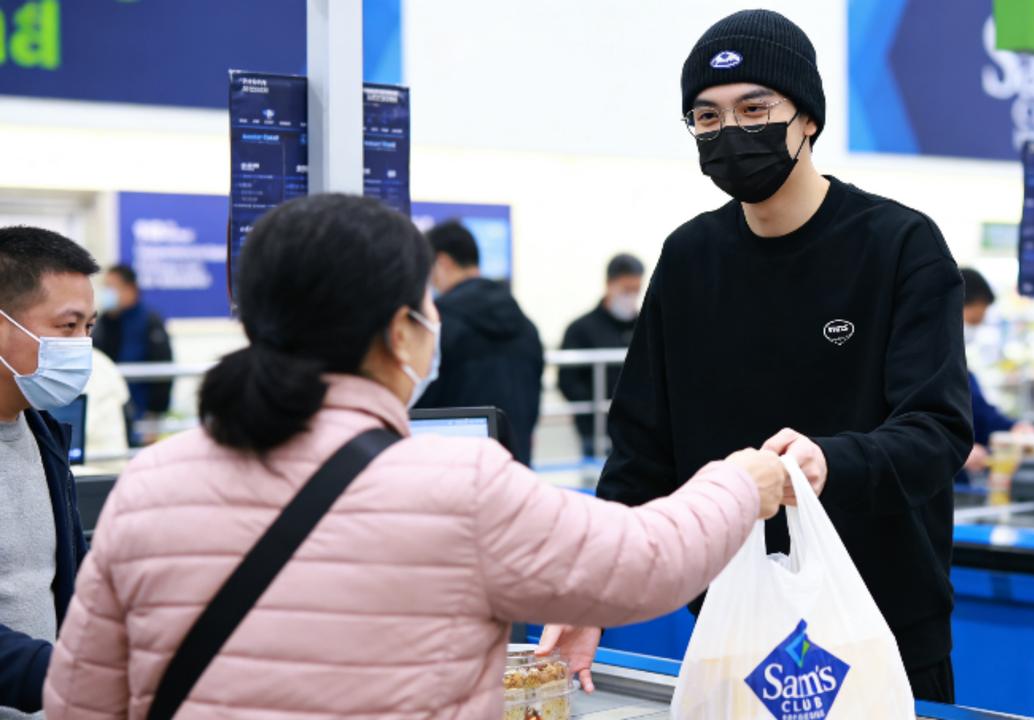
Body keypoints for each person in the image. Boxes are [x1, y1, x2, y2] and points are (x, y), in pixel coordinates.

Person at [41, 194, 789, 719]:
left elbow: (83, 701)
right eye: (427, 307)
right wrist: (738, 484)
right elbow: (644, 562)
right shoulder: (457, 485)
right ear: (400, 331)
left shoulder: (151, 482)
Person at [544, 10, 973, 704]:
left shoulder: (899, 246)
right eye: (707, 117)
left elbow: (937, 432)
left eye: (754, 109)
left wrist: (828, 461)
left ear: (808, 118)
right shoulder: (689, 260)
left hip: (883, 629)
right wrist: (591, 594)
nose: (730, 132)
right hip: (733, 630)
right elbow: (640, 453)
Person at [0, 227, 96, 717]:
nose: (83, 345)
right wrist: (71, 677)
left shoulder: (44, 437)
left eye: (89, 327)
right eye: (68, 326)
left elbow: (64, 574)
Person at [414, 221, 544, 464]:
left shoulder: (438, 326)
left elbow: (422, 403)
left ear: (443, 262)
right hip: (517, 466)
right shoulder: (525, 324)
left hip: (457, 469)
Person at [558, 253, 645, 457]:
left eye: (636, 289)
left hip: (640, 432)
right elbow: (567, 381)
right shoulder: (581, 329)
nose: (631, 296)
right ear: (609, 284)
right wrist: (602, 406)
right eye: (626, 289)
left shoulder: (645, 327)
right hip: (596, 431)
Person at [958, 268, 1034, 476]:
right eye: (974, 320)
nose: (977, 327)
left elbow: (982, 414)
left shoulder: (962, 372)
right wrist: (954, 449)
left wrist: (1014, 427)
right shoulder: (921, 366)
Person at [91, 264, 174, 439]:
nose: (107, 293)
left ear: (130, 289)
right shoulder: (103, 322)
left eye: (111, 287)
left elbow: (163, 370)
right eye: (106, 287)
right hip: (111, 410)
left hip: (141, 411)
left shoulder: (149, 321)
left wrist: (154, 416)